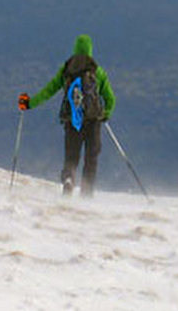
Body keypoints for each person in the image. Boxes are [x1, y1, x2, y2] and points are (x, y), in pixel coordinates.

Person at [18, 34, 116, 197]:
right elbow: (110, 99)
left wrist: (28, 103)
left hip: (72, 121)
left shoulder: (66, 70)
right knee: (91, 158)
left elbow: (48, 91)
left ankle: (69, 179)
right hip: (93, 121)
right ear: (90, 49)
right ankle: (87, 193)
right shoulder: (98, 72)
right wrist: (106, 113)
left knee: (72, 156)